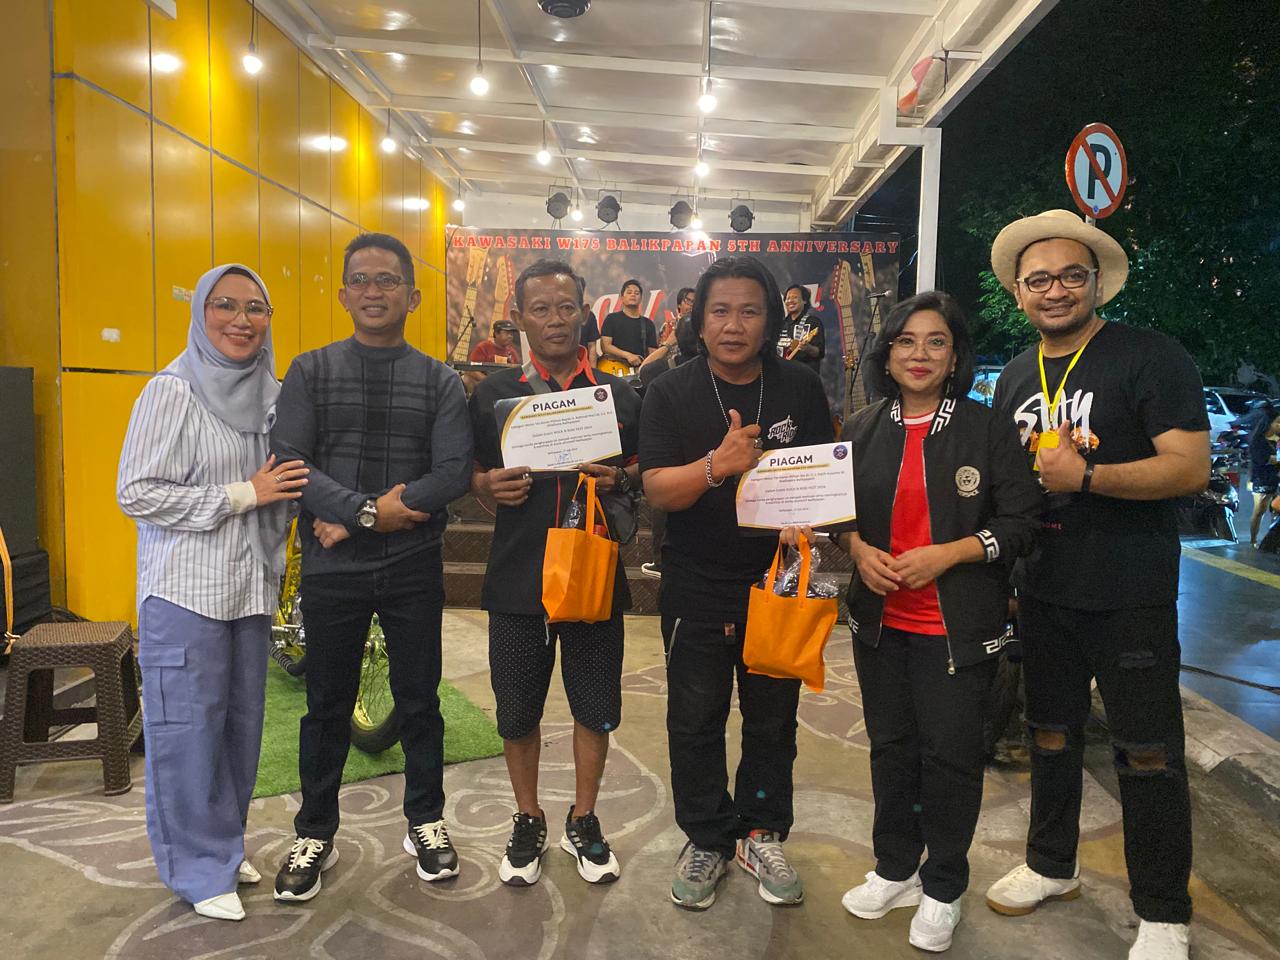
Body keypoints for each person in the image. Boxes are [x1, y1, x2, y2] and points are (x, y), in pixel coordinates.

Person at [985, 210, 1209, 960]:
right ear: (1019, 291)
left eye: (1070, 276)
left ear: (1096, 283)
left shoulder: (1149, 356)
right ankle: (1052, 866)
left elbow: (1189, 467)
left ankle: (1163, 911)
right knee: (1049, 736)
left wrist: (1088, 476)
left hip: (1129, 591)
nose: (1055, 290)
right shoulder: (1016, 374)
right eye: (1039, 279)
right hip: (1043, 589)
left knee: (1148, 752)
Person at [806, 291, 1040, 952]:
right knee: (891, 749)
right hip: (880, 625)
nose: (919, 354)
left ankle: (943, 886)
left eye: (936, 342)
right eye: (906, 341)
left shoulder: (986, 428)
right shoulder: (860, 428)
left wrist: (951, 553)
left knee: (950, 758)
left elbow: (1022, 525)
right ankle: (895, 868)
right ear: (887, 354)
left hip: (956, 629)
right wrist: (857, 549)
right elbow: (838, 516)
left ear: (956, 356)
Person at [269, 232, 474, 903]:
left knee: (420, 700)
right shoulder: (310, 370)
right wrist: (364, 513)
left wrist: (371, 516)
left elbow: (452, 472)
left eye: (387, 280)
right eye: (360, 280)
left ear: (412, 296)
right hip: (334, 568)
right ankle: (314, 831)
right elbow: (291, 463)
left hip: (413, 565)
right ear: (343, 295)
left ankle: (426, 821)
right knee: (326, 705)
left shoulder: (440, 380)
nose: (373, 291)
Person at [640, 255, 832, 911]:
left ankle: (759, 832)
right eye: (719, 310)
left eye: (749, 311)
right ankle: (707, 837)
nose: (733, 324)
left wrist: (808, 516)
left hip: (776, 582)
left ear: (770, 320)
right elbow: (658, 490)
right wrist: (716, 467)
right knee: (694, 721)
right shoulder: (670, 391)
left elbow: (821, 476)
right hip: (694, 582)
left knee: (772, 721)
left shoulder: (800, 388)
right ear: (699, 320)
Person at [118, 264, 307, 922]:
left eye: (256, 307)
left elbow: (284, 485)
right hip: (185, 594)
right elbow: (137, 492)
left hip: (249, 590)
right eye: (225, 305)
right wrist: (242, 494)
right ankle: (195, 867)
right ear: (200, 313)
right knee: (188, 732)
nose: (241, 320)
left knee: (238, 731)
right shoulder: (172, 391)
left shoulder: (271, 395)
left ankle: (222, 846)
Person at [469, 259, 641, 887]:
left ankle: (584, 818)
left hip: (593, 572)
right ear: (519, 318)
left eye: (566, 307)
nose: (555, 320)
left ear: (584, 312)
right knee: (517, 710)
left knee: (595, 706)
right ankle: (528, 817)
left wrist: (620, 477)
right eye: (540, 309)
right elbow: (471, 473)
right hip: (519, 574)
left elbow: (643, 471)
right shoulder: (494, 397)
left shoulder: (618, 396)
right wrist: (486, 484)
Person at [1238, 399, 1280, 546]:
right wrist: (1275, 459)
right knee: (1260, 510)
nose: (1279, 425)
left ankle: (1272, 540)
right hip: (1262, 478)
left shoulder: (1276, 440)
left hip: (1275, 477)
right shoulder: (1259, 441)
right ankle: (1253, 541)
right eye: (1277, 422)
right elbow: (1262, 460)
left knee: (1276, 509)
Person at [599, 278, 657, 372]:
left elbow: (652, 353)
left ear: (641, 299)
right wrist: (627, 355)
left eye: (637, 293)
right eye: (629, 292)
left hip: (639, 372)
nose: (633, 295)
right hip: (614, 369)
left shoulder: (648, 324)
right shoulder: (611, 319)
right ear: (622, 298)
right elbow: (605, 347)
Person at [777, 284, 825, 379]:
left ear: (805, 300)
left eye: (795, 297)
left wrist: (808, 348)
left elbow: (818, 352)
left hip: (805, 378)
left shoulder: (813, 322)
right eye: (788, 298)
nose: (790, 301)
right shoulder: (780, 325)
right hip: (783, 377)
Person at [462, 319, 522, 393]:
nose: (510, 336)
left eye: (511, 334)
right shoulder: (483, 347)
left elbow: (517, 374)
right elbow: (471, 370)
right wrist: (490, 381)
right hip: (485, 386)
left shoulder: (513, 352)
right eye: (506, 333)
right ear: (496, 333)